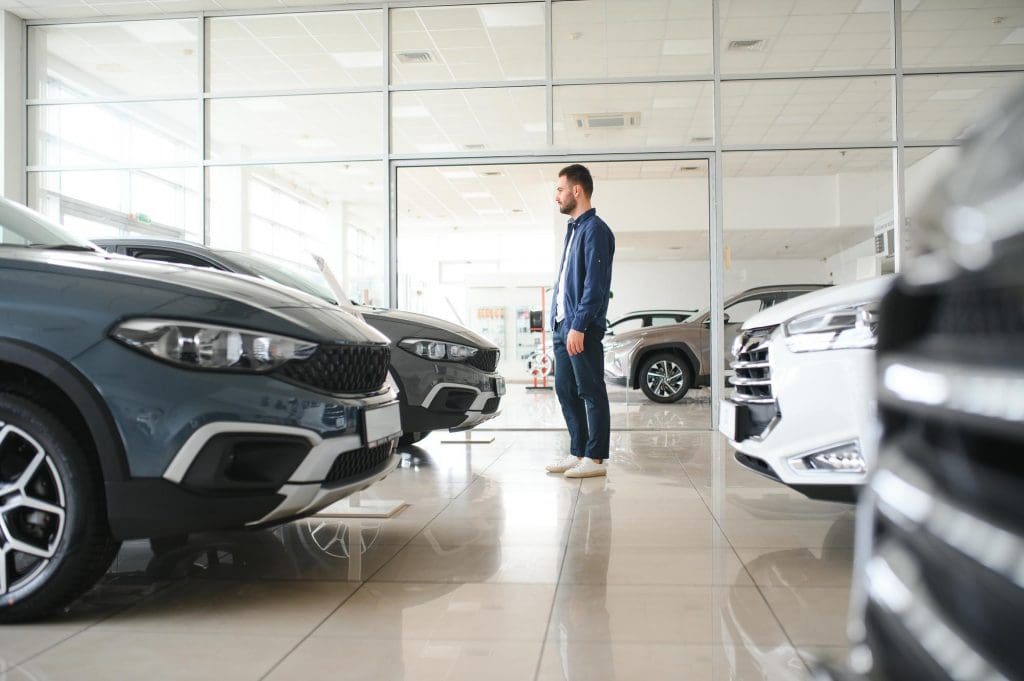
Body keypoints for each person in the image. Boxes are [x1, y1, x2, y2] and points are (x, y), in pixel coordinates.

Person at [545, 164, 615, 478]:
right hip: (564, 325)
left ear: (577, 190)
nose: (556, 195)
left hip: (579, 327)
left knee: (590, 390)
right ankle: (579, 451)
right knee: (565, 390)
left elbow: (595, 286)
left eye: (560, 189)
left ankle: (596, 458)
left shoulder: (595, 230)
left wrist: (580, 324)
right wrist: (558, 322)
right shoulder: (573, 230)